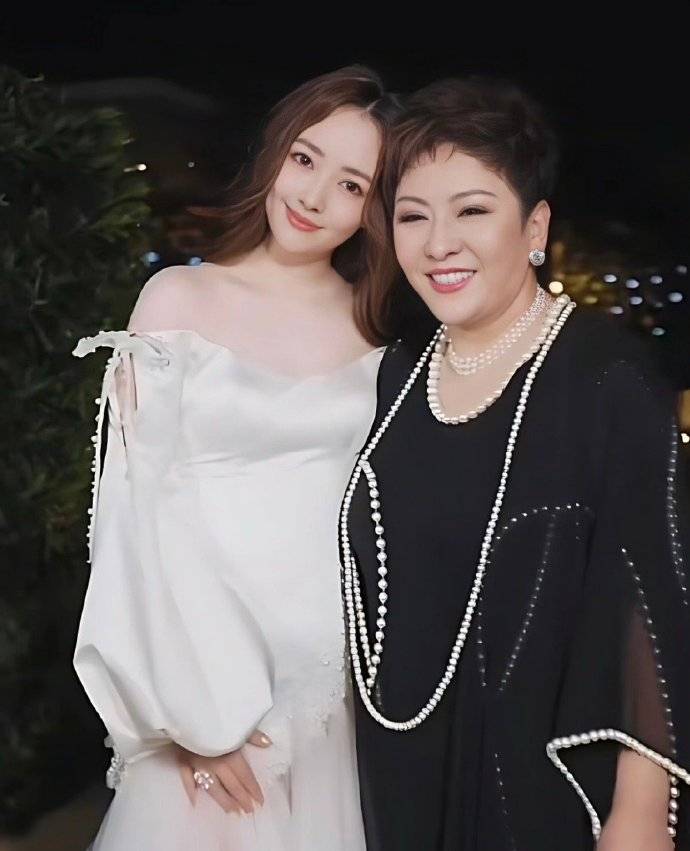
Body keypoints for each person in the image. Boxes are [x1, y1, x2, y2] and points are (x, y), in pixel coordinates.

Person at [341, 76, 690, 850]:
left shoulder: (606, 377)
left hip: (544, 788)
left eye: (472, 210)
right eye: (413, 216)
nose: (438, 243)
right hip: (394, 779)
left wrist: (641, 811)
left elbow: (652, 599)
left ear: (535, 225)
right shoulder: (397, 374)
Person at [71, 65, 399, 850]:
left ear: (375, 210)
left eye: (352, 185)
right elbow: (131, 520)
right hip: (202, 692)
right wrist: (192, 715)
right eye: (305, 159)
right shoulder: (178, 300)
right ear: (276, 150)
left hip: (321, 691)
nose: (314, 195)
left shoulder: (378, 338)